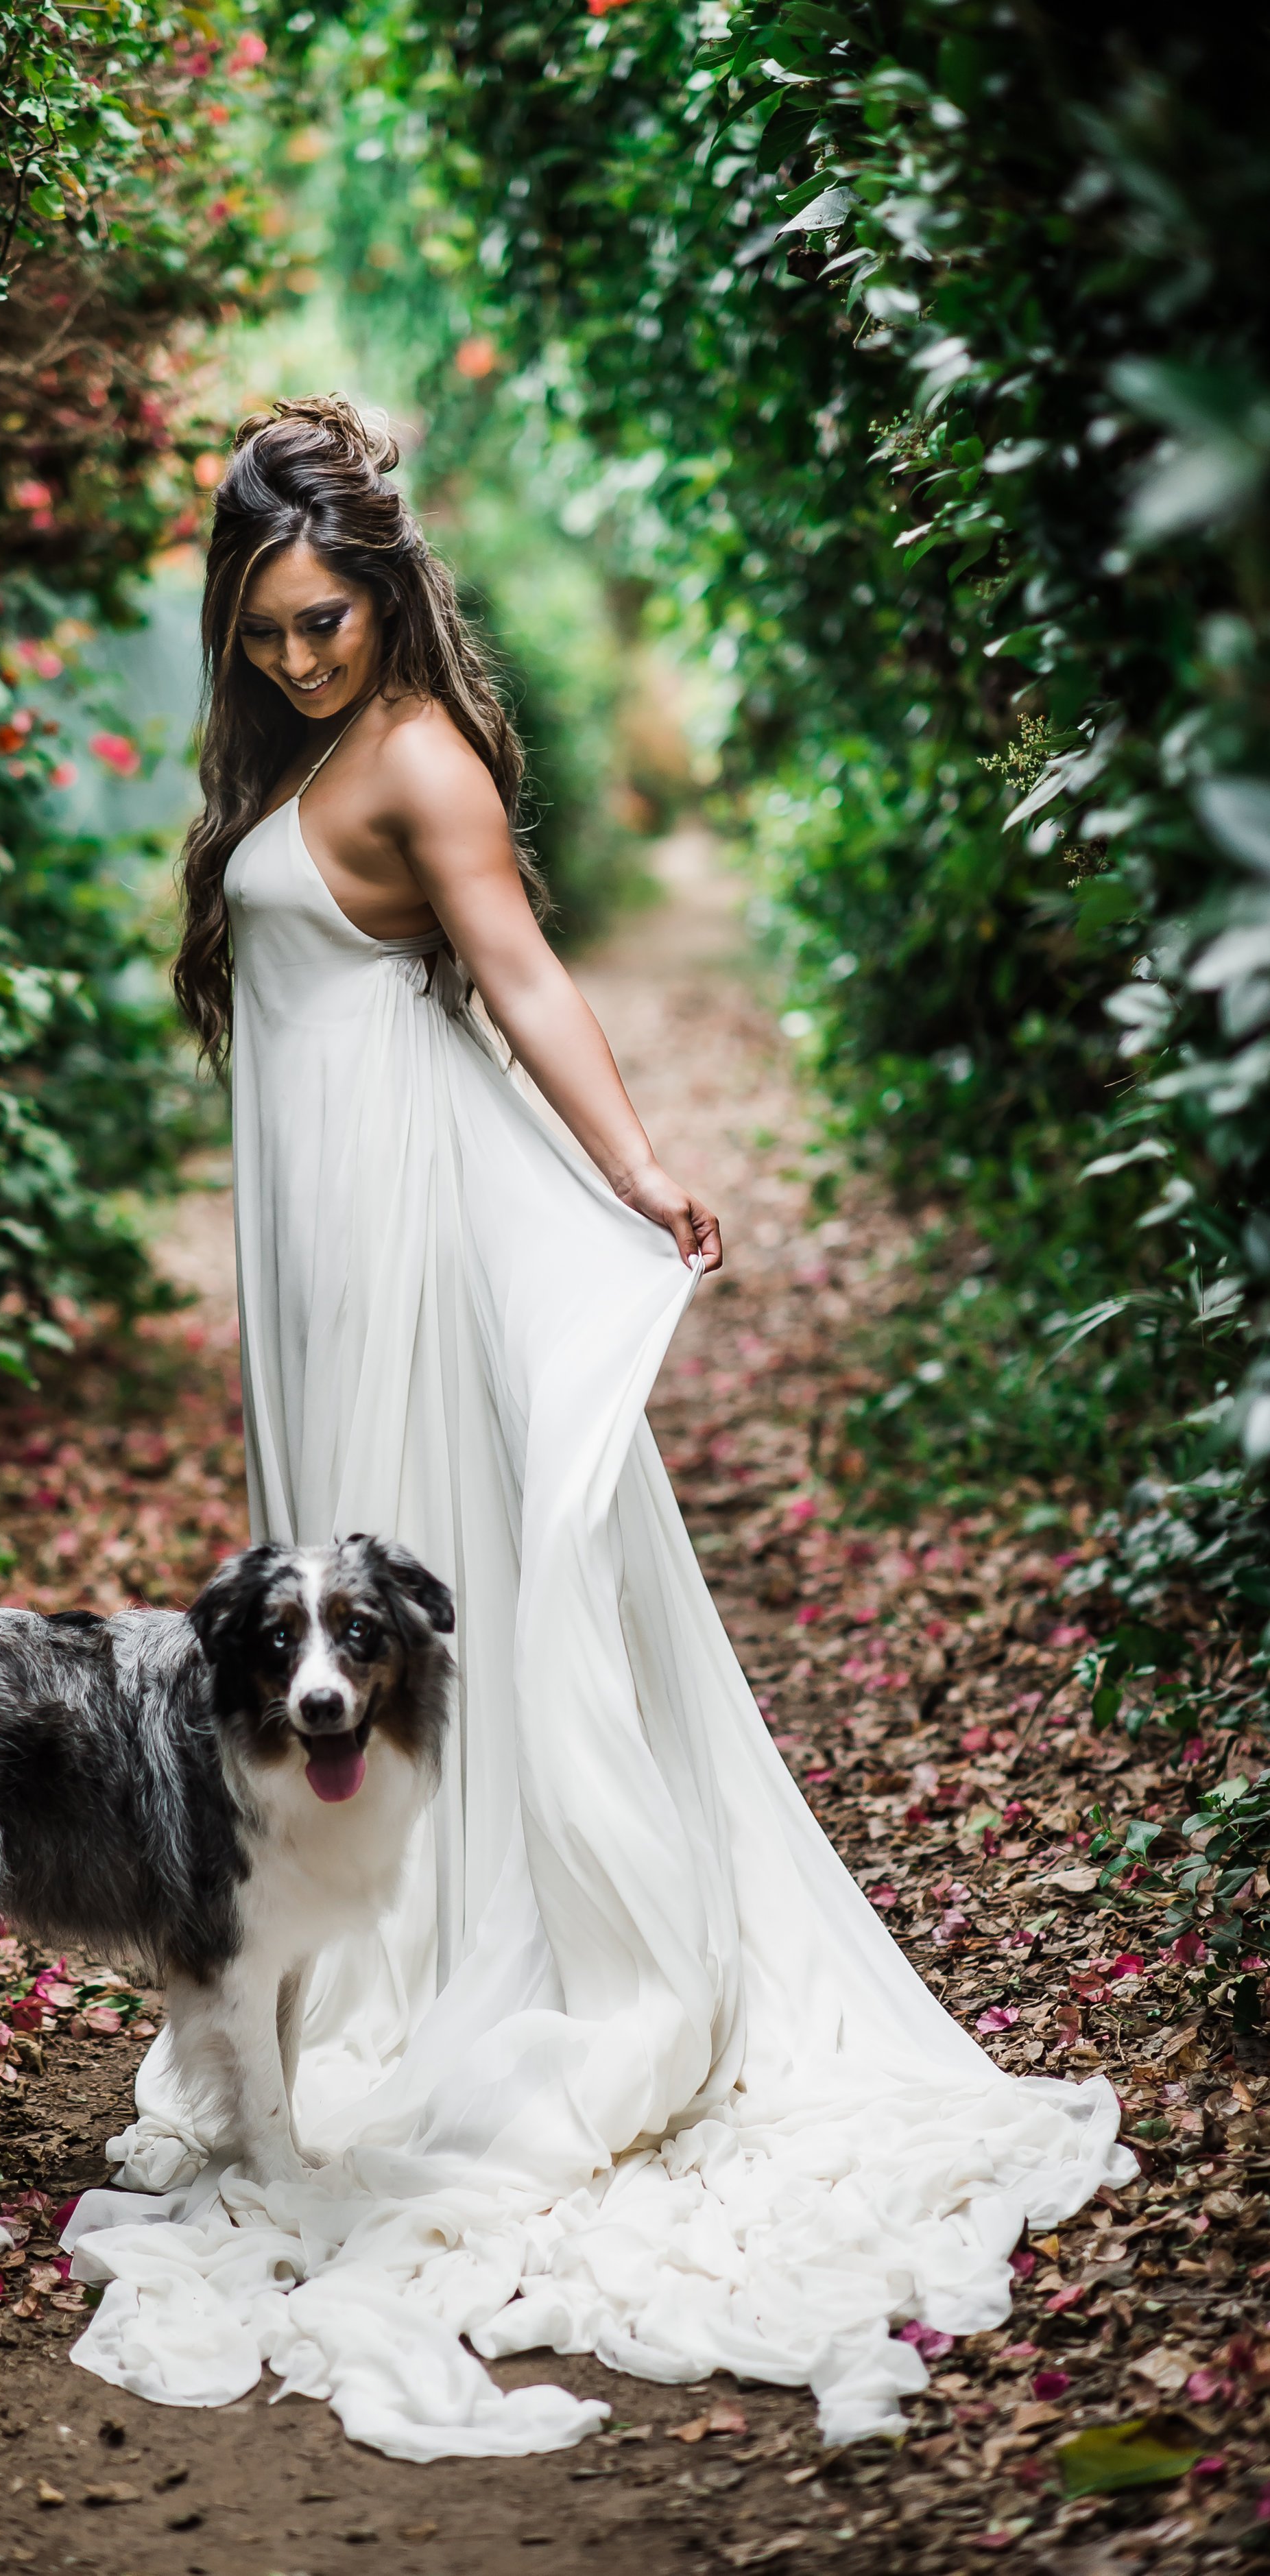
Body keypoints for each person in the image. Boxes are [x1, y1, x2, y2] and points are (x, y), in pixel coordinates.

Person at [61, 398, 1131, 2462]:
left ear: (382, 591)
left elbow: (525, 975)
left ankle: (468, 1951)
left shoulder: (420, 756)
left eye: (327, 619)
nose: (299, 657)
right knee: (327, 1573)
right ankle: (360, 1927)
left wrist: (639, 1166)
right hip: (314, 1232)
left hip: (402, 1230)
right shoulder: (295, 751)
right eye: (266, 629)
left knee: (414, 1572)